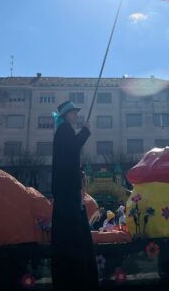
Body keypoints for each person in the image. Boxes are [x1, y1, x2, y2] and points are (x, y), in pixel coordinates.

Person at [51, 101, 99, 291]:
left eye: (77, 113)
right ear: (66, 115)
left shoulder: (64, 130)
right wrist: (86, 131)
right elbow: (74, 147)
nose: (76, 115)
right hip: (67, 189)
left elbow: (70, 156)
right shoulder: (64, 130)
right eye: (73, 113)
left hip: (67, 187)